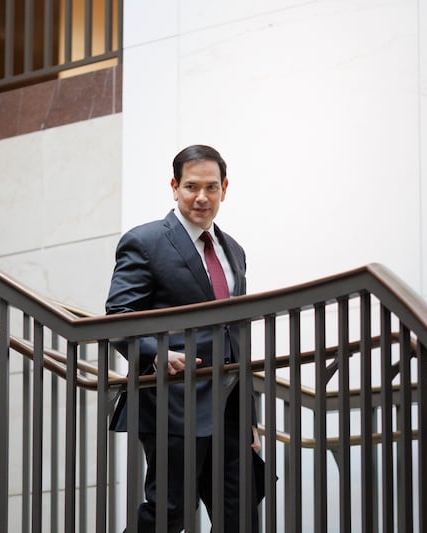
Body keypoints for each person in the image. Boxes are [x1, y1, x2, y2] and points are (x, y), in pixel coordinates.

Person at [106, 144, 262, 532]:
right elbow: (117, 318)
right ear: (174, 187)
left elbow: (235, 333)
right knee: (170, 511)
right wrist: (157, 353)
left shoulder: (234, 252)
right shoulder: (145, 242)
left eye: (211, 187)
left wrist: (250, 416)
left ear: (225, 188)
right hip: (174, 400)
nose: (201, 197)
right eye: (192, 186)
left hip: (228, 405)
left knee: (240, 512)